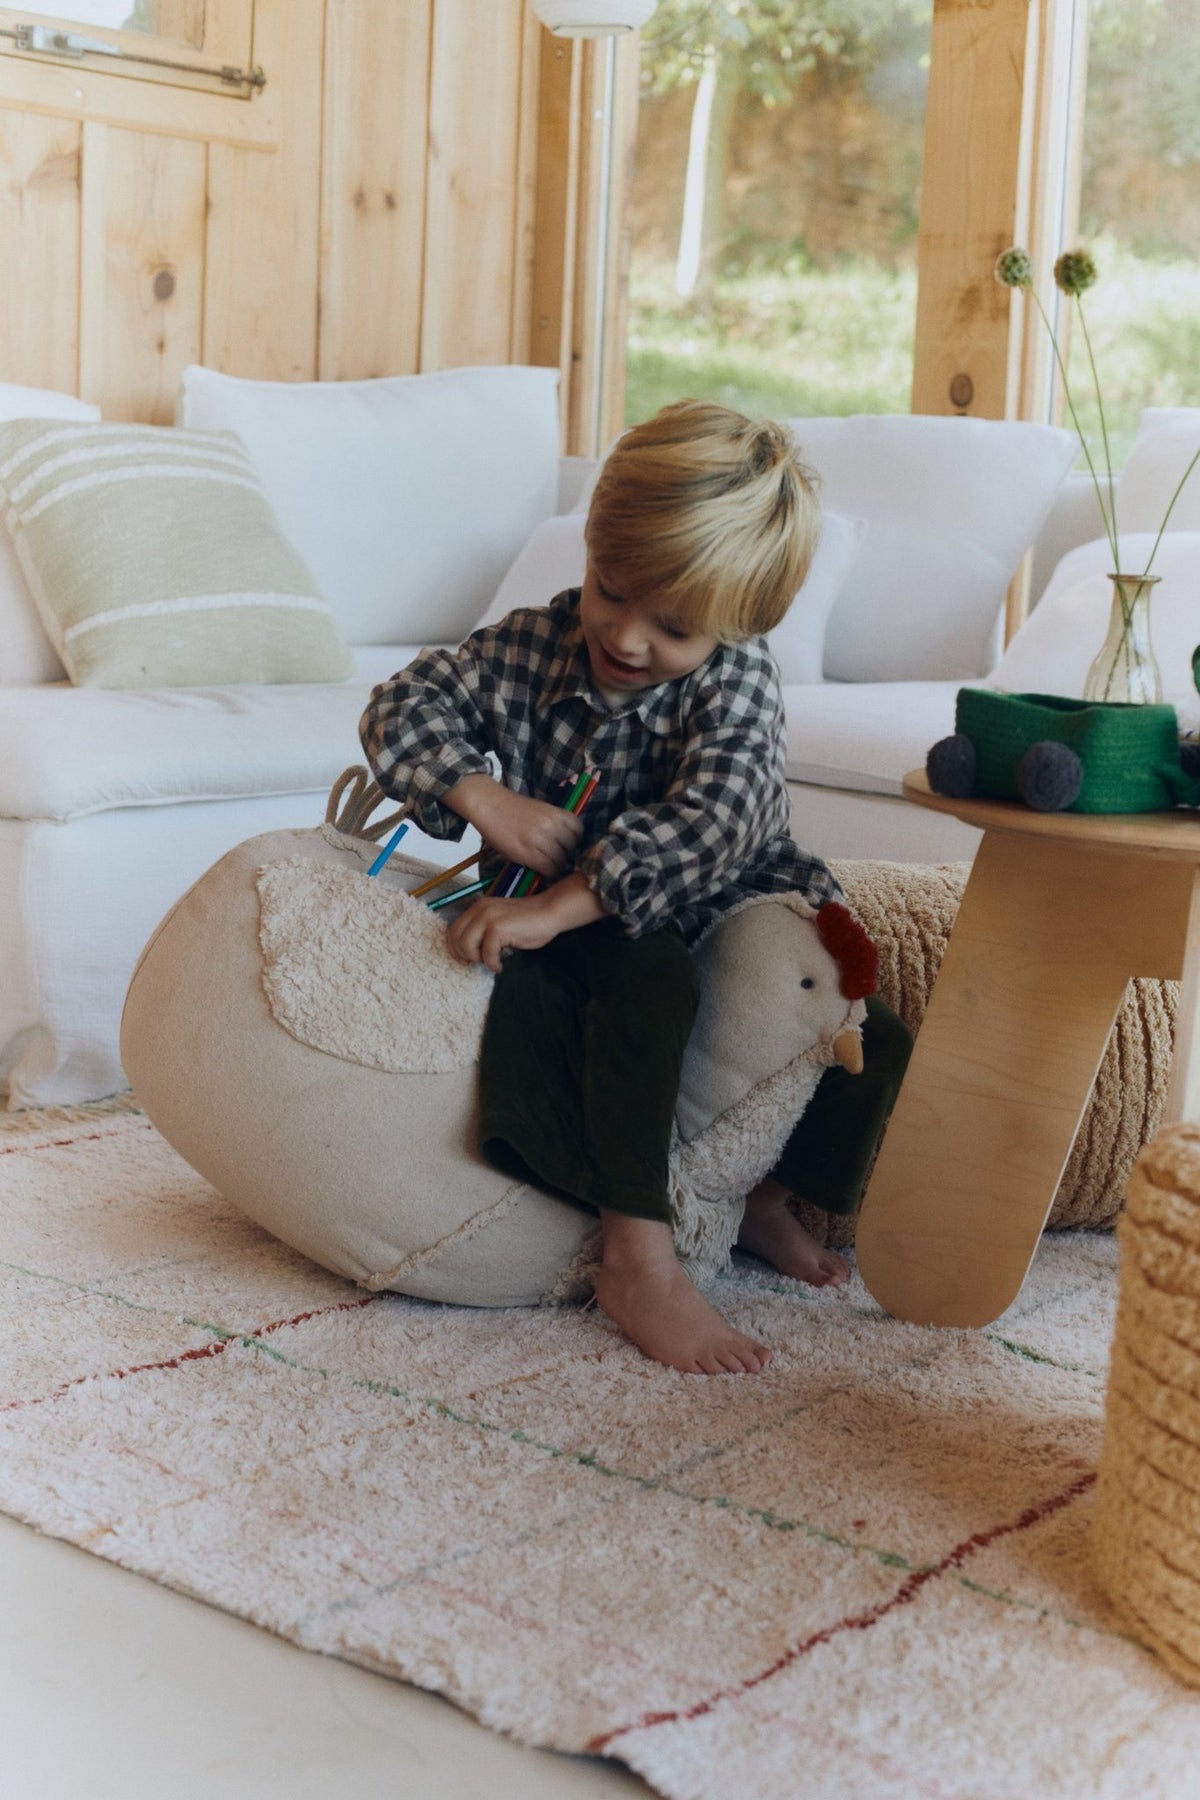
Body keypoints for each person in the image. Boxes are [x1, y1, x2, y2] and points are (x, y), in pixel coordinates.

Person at [360, 399, 910, 1376]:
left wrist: (557, 903)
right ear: (592, 552)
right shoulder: (535, 643)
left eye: (675, 625)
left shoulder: (738, 679)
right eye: (610, 590)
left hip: (712, 900)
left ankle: (768, 1202)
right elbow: (403, 704)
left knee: (870, 1032)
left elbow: (715, 823)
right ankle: (638, 1254)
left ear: (738, 624)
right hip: (601, 938)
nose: (626, 636)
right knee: (644, 982)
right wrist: (479, 795)